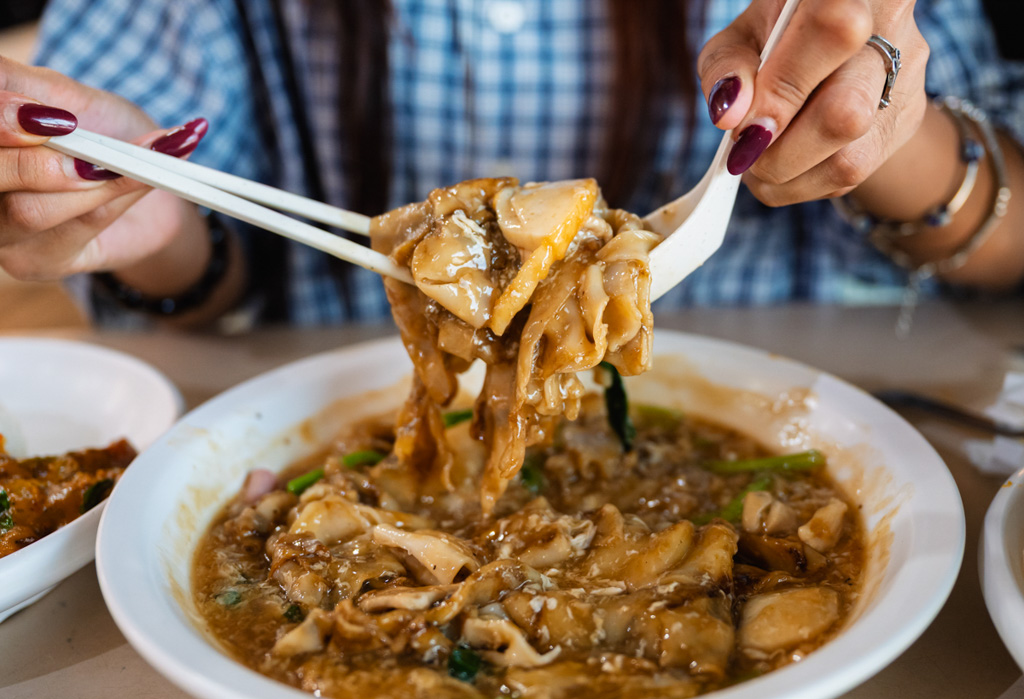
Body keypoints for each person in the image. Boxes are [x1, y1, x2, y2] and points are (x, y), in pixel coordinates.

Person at [1, 0, 1022, 330]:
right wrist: (145, 218)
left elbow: (1010, 243)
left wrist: (875, 129)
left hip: (845, 393)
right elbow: (205, 260)